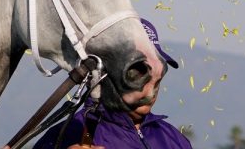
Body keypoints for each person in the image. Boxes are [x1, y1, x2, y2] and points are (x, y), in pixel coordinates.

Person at [32, 18, 192, 149]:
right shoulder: (69, 134)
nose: (150, 90)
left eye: (155, 77)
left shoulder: (174, 140)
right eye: (138, 74)